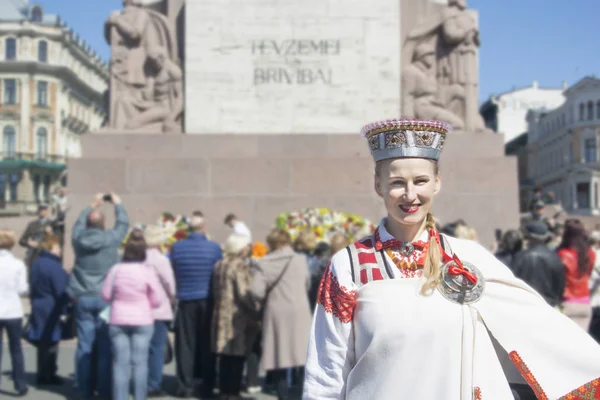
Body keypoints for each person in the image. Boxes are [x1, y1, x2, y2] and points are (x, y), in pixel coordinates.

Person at [303, 119, 600, 400]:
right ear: (378, 185)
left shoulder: (469, 258)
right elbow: (327, 368)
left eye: (420, 181)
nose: (410, 194)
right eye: (397, 183)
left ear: (436, 183)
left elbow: (539, 328)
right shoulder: (349, 265)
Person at [67, 192, 130, 399]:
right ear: (103, 225)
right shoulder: (111, 239)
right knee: (104, 348)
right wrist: (118, 204)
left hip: (83, 296)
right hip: (105, 298)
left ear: (87, 224)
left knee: (85, 346)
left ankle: (84, 390)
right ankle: (103, 391)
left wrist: (90, 205)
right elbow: (123, 225)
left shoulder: (78, 239)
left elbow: (77, 226)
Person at [252, 228, 312, 400]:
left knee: (279, 357)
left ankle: (283, 396)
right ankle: (301, 394)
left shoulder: (264, 263)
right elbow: (307, 284)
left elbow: (256, 291)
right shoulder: (300, 260)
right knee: (301, 356)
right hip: (300, 311)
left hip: (277, 313)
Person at [102, 229, 163, 400]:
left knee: (120, 364)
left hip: (118, 318)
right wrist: (145, 303)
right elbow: (157, 299)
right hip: (142, 319)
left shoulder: (115, 269)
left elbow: (106, 295)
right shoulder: (147, 271)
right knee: (140, 363)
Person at [170, 215, 222, 397]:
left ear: (187, 229)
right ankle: (207, 384)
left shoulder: (177, 248)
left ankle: (185, 385)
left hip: (185, 301)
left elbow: (173, 268)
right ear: (204, 226)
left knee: (185, 344)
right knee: (207, 343)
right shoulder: (214, 248)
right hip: (208, 300)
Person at [212, 234, 260, 400]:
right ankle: (233, 392)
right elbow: (243, 293)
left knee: (224, 354)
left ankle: (224, 390)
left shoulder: (219, 264)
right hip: (236, 315)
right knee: (237, 354)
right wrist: (255, 309)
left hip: (220, 312)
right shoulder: (239, 266)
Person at [27, 234, 69, 385]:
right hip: (51, 306)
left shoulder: (37, 263)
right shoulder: (54, 266)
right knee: (51, 341)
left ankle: (42, 372)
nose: (60, 250)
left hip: (38, 304)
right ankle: (49, 373)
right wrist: (66, 308)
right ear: (50, 248)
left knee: (42, 342)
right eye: (57, 247)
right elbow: (61, 290)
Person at [144, 225, 177, 397]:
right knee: (157, 348)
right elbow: (170, 285)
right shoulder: (161, 260)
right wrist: (172, 300)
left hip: (140, 310)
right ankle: (153, 384)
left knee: (142, 349)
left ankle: (140, 381)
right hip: (159, 309)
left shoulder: (138, 258)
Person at [0, 230, 28, 397]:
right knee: (16, 348)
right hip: (13, 311)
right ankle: (20, 384)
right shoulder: (18, 264)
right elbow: (22, 289)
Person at [511, 222, 565, 307]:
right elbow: (560, 286)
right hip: (548, 305)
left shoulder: (520, 256)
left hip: (524, 304)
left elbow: (512, 282)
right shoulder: (555, 257)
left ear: (529, 236)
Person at [557, 219, 596, 330]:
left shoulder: (561, 254)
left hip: (567, 301)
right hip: (585, 301)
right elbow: (588, 274)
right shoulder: (590, 254)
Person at [19, 203, 53, 268]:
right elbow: (21, 240)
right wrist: (29, 243)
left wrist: (50, 234)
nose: (42, 211)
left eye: (44, 210)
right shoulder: (32, 224)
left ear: (47, 211)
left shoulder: (52, 224)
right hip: (34, 255)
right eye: (40, 210)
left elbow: (57, 243)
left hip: (47, 255)